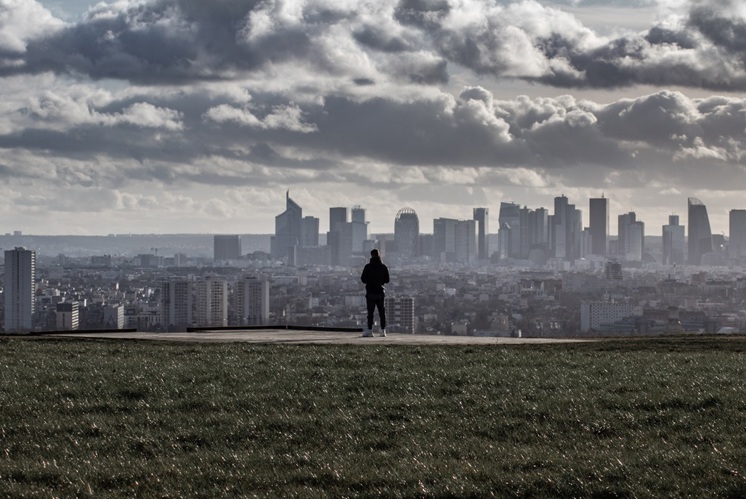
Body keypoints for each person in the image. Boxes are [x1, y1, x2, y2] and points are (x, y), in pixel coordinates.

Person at [360, 248, 389, 337]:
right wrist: (380, 281)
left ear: (371, 255)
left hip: (370, 292)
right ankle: (383, 330)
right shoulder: (383, 267)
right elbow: (387, 280)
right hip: (380, 292)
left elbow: (363, 279)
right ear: (379, 255)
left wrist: (370, 281)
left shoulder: (368, 267)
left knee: (370, 313)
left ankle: (369, 330)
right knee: (382, 312)